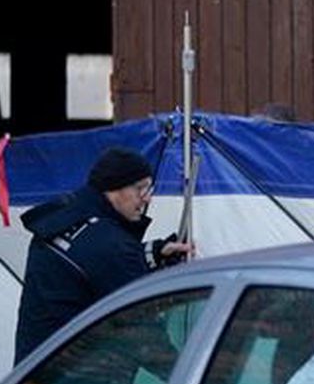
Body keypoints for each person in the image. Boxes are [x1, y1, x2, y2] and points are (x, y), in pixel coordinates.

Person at [14, 147, 193, 363]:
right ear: (113, 188)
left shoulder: (63, 220)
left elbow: (94, 270)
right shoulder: (111, 245)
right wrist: (195, 375)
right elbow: (143, 334)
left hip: (31, 375)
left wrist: (154, 252)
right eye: (140, 189)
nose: (147, 199)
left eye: (149, 189)